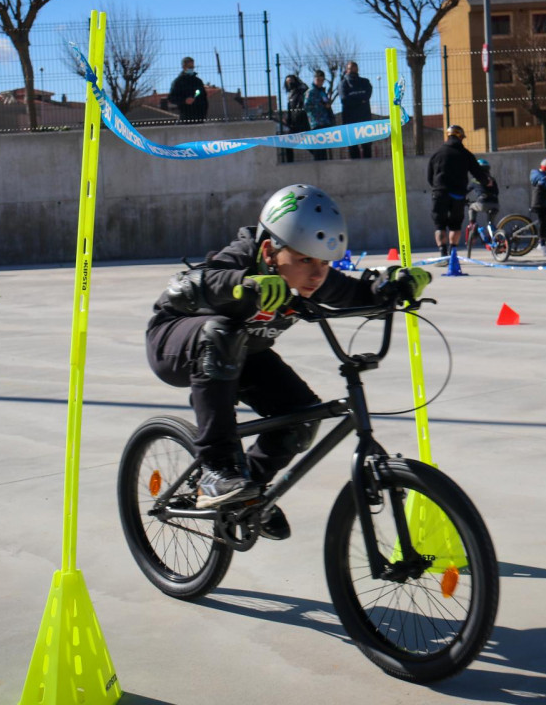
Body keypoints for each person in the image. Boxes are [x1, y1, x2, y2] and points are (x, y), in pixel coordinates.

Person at [144, 184, 431, 539]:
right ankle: (217, 470)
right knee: (221, 333)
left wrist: (391, 286)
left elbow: (354, 293)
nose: (316, 274)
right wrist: (245, 284)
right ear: (269, 249)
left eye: (325, 263)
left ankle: (247, 496)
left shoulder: (311, 278)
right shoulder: (244, 257)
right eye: (305, 260)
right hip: (175, 342)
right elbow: (186, 285)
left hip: (243, 353)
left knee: (300, 417)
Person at [426, 125, 493, 265]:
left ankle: (442, 254)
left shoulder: (437, 153)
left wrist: (437, 188)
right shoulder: (465, 154)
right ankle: (453, 253)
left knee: (439, 224)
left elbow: (429, 176)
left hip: (440, 193)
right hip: (458, 194)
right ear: (460, 137)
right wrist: (487, 182)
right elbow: (477, 172)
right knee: (455, 225)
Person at [339, 61, 374, 159]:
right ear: (347, 70)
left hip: (365, 119)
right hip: (350, 121)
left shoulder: (365, 82)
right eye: (350, 69)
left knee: (367, 146)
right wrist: (360, 98)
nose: (353, 71)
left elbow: (367, 95)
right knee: (353, 147)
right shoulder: (343, 84)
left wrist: (353, 97)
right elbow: (344, 99)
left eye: (355, 68)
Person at [304, 69, 334, 161]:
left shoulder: (322, 92)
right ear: (314, 79)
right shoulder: (311, 92)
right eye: (318, 80)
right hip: (316, 123)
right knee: (318, 149)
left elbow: (326, 104)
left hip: (325, 122)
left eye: (322, 80)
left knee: (324, 149)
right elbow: (307, 106)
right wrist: (321, 105)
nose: (320, 82)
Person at [280, 74, 311, 163]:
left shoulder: (301, 91)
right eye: (287, 82)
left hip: (303, 122)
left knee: (308, 143)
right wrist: (287, 119)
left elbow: (302, 105)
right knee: (287, 142)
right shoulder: (290, 95)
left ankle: (319, 158)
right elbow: (290, 110)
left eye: (291, 81)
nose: (290, 83)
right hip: (294, 124)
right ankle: (290, 162)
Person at [168, 56, 208, 123]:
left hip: (199, 117)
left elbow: (204, 98)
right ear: (184, 67)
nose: (191, 69)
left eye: (192, 67)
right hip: (185, 116)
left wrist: (203, 114)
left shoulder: (198, 81)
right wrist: (184, 101)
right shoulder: (178, 82)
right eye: (189, 67)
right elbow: (171, 98)